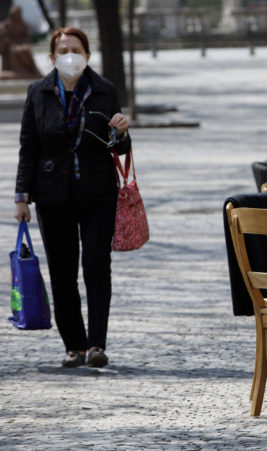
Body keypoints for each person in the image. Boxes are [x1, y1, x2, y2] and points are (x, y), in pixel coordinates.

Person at [14, 27, 131, 368]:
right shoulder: (38, 92)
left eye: (75, 49)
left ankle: (96, 344)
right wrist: (21, 198)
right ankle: (74, 346)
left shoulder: (104, 90)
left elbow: (119, 147)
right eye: (62, 49)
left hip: (98, 193)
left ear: (87, 55)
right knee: (63, 272)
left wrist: (121, 132)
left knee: (96, 264)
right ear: (51, 56)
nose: (69, 55)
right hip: (52, 195)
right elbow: (28, 148)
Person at [0, 6, 42, 79]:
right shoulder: (6, 25)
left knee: (25, 50)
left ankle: (32, 69)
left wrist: (22, 42)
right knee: (17, 51)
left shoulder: (23, 25)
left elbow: (27, 38)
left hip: (22, 44)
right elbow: (4, 37)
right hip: (10, 45)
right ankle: (21, 70)